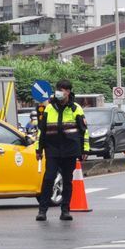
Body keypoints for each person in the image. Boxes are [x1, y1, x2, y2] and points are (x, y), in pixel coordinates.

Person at [35, 80, 90, 221]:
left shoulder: (76, 108)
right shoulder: (49, 108)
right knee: (48, 178)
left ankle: (65, 210)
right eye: (59, 89)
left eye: (64, 89)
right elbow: (42, 130)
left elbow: (84, 131)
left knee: (67, 181)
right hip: (52, 149)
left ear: (69, 92)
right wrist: (38, 149)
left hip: (70, 149)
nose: (60, 92)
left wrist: (85, 150)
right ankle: (42, 211)